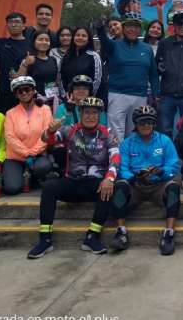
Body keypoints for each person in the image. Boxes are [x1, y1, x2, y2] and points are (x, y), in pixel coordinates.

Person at [27, 97, 119, 259]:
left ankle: (92, 236)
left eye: (94, 113)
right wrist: (50, 130)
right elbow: (45, 140)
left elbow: (115, 158)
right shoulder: (70, 129)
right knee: (49, 187)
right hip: (73, 182)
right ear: (80, 113)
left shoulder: (108, 133)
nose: (90, 116)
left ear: (99, 115)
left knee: (111, 186)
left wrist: (109, 178)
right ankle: (45, 239)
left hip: (95, 184)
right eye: (86, 112)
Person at [111, 105, 181, 255]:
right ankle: (120, 231)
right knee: (120, 185)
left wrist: (162, 172)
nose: (146, 125)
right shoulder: (127, 143)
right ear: (135, 124)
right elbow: (122, 168)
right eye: (142, 122)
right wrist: (134, 178)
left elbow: (173, 164)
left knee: (174, 187)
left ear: (154, 123)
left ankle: (169, 233)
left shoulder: (165, 141)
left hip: (158, 183)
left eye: (149, 122)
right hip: (135, 184)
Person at [97, 11, 160, 141]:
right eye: (128, 26)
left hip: (140, 95)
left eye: (136, 26)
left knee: (135, 132)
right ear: (123, 28)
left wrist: (156, 94)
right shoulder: (114, 45)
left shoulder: (147, 49)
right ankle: (116, 160)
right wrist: (99, 27)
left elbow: (153, 73)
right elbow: (103, 39)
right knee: (115, 131)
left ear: (140, 30)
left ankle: (133, 158)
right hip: (117, 94)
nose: (132, 29)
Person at [3, 76, 58, 195]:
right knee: (11, 188)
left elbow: (46, 134)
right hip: (15, 157)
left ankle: (33, 176)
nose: (24, 93)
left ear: (33, 91)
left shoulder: (45, 109)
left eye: (27, 89)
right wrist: (27, 154)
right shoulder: (10, 113)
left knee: (42, 167)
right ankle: (24, 176)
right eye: (20, 91)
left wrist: (33, 153)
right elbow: (10, 138)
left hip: (38, 155)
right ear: (16, 94)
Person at [0, 12, 31, 113]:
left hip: (24, 91)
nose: (14, 24)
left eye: (17, 22)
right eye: (10, 22)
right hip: (3, 92)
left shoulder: (31, 45)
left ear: (24, 25)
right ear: (7, 25)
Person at [15, 30, 60, 107]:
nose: (44, 42)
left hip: (51, 100)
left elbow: (55, 80)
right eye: (40, 39)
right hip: (33, 101)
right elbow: (17, 81)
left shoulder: (53, 60)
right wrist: (26, 64)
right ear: (34, 42)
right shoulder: (29, 59)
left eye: (47, 40)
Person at [59, 27, 102, 96]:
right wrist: (65, 95)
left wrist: (89, 96)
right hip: (69, 99)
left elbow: (97, 80)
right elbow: (61, 77)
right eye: (77, 35)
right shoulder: (66, 56)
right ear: (73, 38)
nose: (80, 38)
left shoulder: (94, 56)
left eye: (84, 36)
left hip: (88, 100)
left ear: (88, 40)